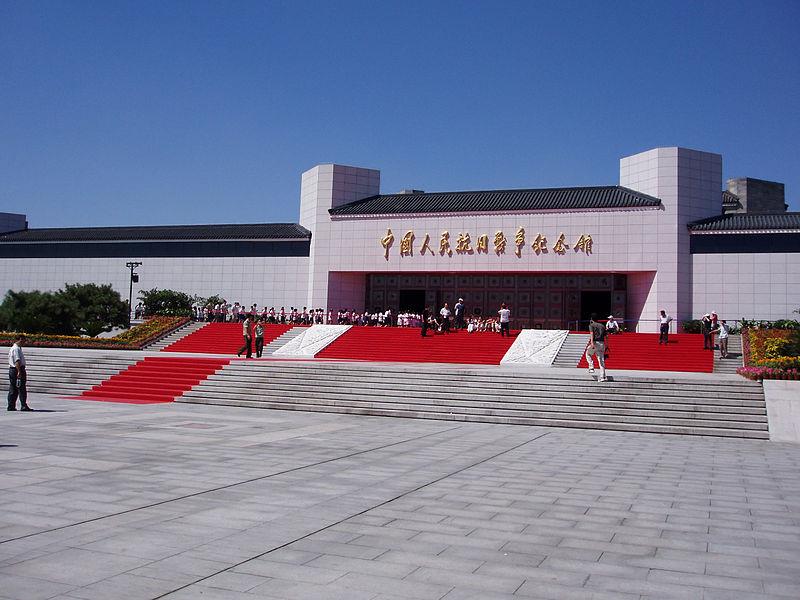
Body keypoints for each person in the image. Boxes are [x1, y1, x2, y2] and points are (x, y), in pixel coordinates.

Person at [8, 334, 32, 411]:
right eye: (24, 340)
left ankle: (11, 405)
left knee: (13, 388)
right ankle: (23, 405)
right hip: (17, 369)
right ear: (20, 339)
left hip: (13, 369)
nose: (25, 342)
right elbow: (17, 361)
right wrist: (19, 372)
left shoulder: (16, 348)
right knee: (21, 388)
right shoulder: (16, 349)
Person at [585, 313, 608, 382]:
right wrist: (606, 345)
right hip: (602, 343)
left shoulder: (591, 325)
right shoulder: (602, 326)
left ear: (591, 319)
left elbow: (592, 334)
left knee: (588, 354)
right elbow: (606, 336)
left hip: (595, 342)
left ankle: (591, 367)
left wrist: (591, 343)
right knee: (601, 360)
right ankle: (602, 376)